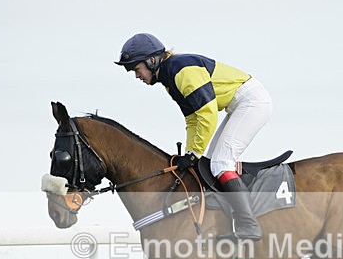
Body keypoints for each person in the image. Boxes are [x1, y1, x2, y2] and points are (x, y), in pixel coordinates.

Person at [115, 33, 272, 241]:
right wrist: (191, 153)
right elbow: (192, 119)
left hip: (252, 102)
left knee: (221, 164)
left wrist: (194, 152)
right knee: (212, 162)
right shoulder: (170, 79)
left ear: (152, 60)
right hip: (240, 104)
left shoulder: (180, 70)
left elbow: (207, 113)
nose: (137, 76)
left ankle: (249, 225)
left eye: (137, 69)